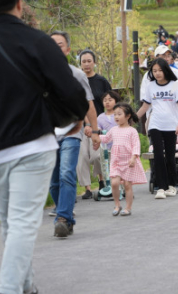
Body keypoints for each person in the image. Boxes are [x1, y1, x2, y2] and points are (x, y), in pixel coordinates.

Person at [0, 0, 88, 293]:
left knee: (11, 223)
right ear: (20, 3)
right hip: (34, 145)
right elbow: (71, 90)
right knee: (22, 223)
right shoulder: (39, 42)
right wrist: (76, 119)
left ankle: (27, 287)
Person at [49, 31, 100, 238]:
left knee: (66, 173)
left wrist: (95, 131)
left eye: (59, 44)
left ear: (68, 50)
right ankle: (67, 216)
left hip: (73, 132)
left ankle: (62, 218)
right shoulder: (38, 75)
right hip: (48, 135)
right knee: (53, 181)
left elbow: (89, 106)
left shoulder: (77, 75)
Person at [137, 58, 178, 199]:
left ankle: (171, 185)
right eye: (154, 71)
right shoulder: (151, 86)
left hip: (171, 125)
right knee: (158, 155)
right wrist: (132, 118)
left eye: (160, 70)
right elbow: (145, 106)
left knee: (170, 156)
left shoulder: (175, 85)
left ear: (166, 70)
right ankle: (161, 187)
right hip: (155, 124)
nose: (157, 73)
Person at [100, 102, 146, 216]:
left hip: (128, 161)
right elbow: (106, 139)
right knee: (114, 183)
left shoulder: (132, 131)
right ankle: (117, 205)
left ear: (128, 116)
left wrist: (134, 157)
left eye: (119, 114)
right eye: (114, 114)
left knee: (127, 185)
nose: (116, 117)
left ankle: (128, 207)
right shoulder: (113, 130)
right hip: (116, 161)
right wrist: (95, 136)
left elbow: (136, 145)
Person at [77, 49, 112, 199]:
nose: (86, 64)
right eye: (83, 61)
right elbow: (79, 104)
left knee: (97, 156)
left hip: (100, 125)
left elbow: (111, 101)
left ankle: (102, 180)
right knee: (82, 156)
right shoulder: (77, 81)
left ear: (94, 62)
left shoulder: (102, 81)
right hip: (82, 126)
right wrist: (87, 124)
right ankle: (87, 188)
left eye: (89, 61)